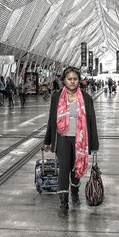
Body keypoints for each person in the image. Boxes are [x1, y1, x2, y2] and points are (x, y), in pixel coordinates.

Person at [43, 66, 99, 218]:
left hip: (80, 139)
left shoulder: (86, 98)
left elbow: (92, 121)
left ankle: (74, 192)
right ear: (64, 80)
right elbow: (51, 120)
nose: (72, 82)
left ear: (79, 80)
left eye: (75, 79)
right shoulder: (56, 97)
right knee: (64, 169)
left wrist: (94, 145)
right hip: (62, 138)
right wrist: (47, 141)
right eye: (70, 79)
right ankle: (63, 203)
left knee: (76, 170)